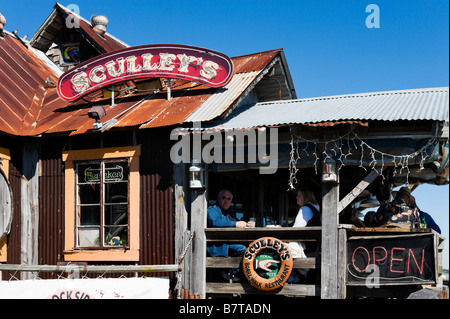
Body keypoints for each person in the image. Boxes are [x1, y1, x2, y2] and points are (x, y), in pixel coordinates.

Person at [207, 189, 247, 282]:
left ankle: (242, 274)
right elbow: (215, 222)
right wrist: (235, 224)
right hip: (217, 244)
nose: (226, 200)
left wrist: (244, 223)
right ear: (218, 198)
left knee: (250, 246)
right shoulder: (212, 209)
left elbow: (236, 222)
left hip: (227, 241)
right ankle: (237, 275)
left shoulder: (229, 213)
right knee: (242, 249)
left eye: (229, 199)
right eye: (224, 198)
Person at [287, 187, 321, 283]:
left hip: (307, 248)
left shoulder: (305, 209)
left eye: (299, 195)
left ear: (306, 197)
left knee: (279, 247)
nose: (296, 198)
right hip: (313, 246)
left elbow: (296, 229)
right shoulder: (314, 208)